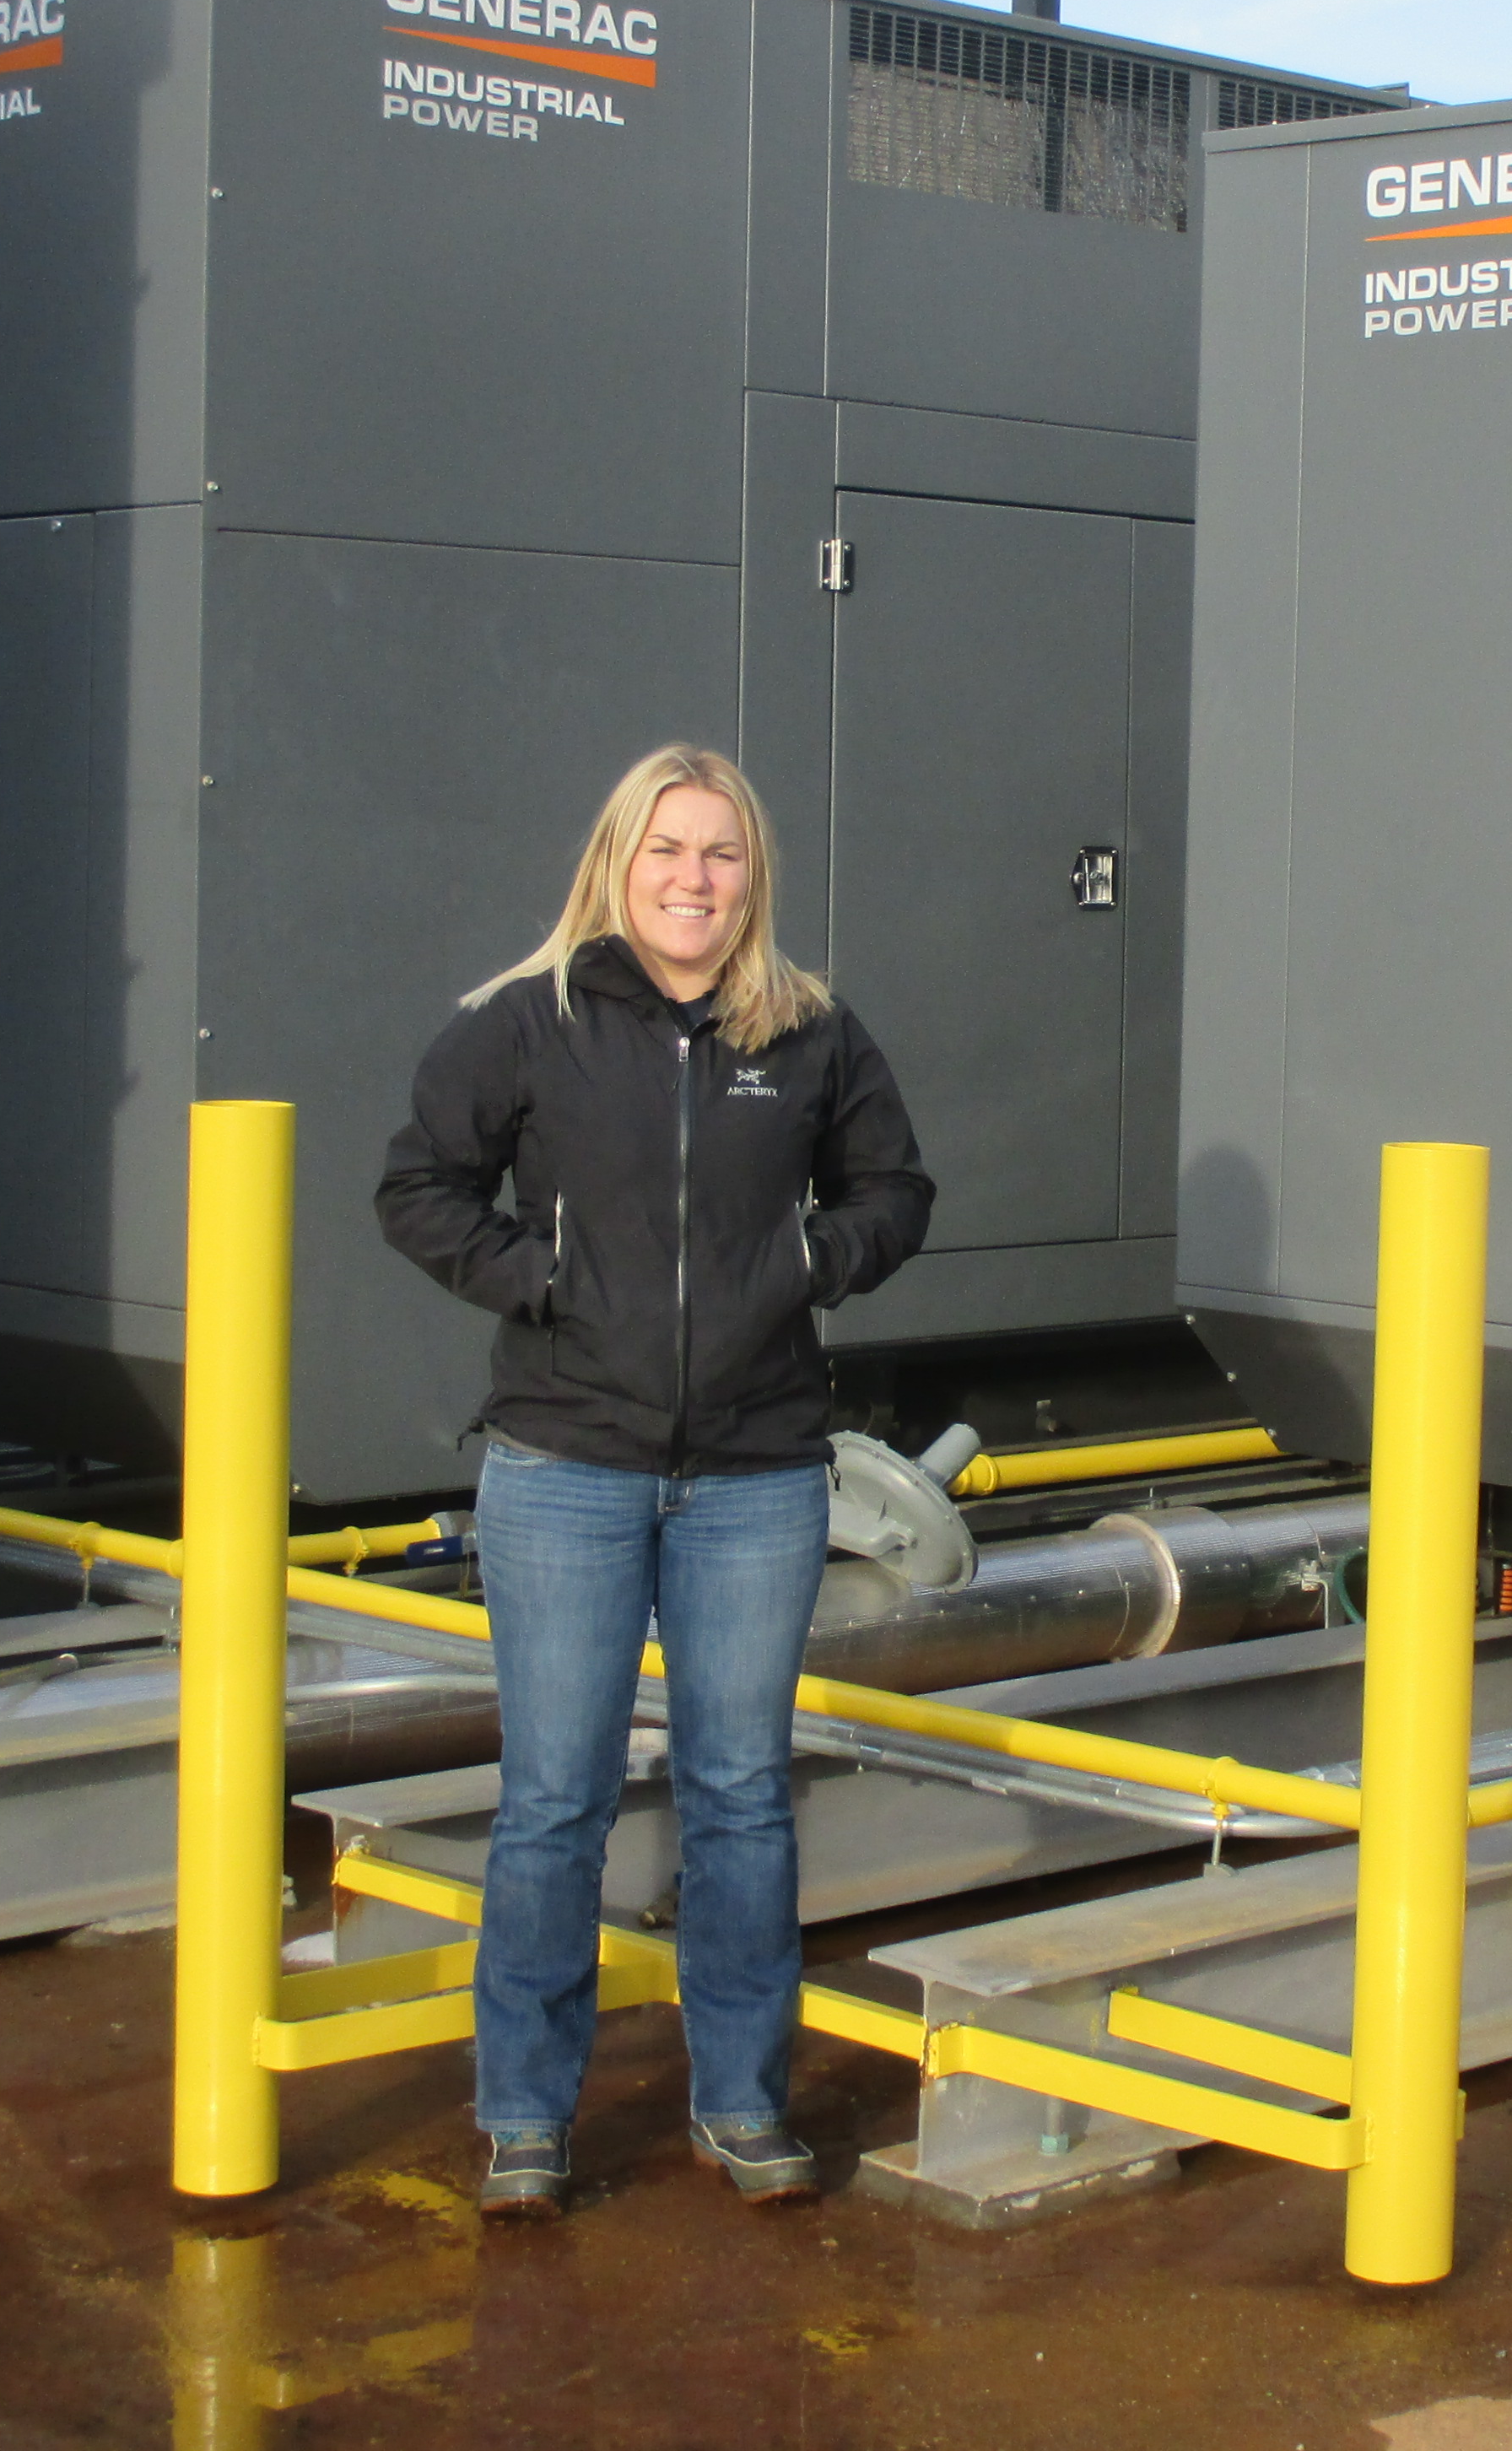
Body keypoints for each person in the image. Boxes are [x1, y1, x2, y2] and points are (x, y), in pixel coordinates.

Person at [377, 744, 932, 2219]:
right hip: (567, 1465)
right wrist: (537, 1278)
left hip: (755, 1476)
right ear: (617, 864)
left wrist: (810, 1263)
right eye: (667, 850)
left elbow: (895, 1192)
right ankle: (525, 2121)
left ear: (755, 877)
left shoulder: (808, 1035)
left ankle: (744, 2104)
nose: (694, 878)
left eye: (723, 854)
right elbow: (417, 1187)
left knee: (741, 1795)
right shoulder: (530, 1023)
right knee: (553, 1799)